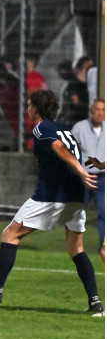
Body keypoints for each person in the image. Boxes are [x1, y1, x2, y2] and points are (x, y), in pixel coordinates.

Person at [0, 89, 104, 317]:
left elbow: (58, 147)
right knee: (77, 248)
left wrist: (80, 170)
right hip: (76, 196)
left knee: (9, 235)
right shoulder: (64, 128)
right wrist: (82, 171)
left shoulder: (41, 128)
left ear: (36, 108)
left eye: (29, 105)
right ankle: (95, 303)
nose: (27, 109)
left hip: (51, 195)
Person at [71, 98, 105, 262]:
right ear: (92, 111)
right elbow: (70, 152)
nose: (100, 113)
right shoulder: (80, 128)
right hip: (82, 178)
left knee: (104, 215)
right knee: (78, 214)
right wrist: (77, 172)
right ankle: (77, 248)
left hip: (102, 179)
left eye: (103, 110)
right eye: (97, 109)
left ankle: (104, 248)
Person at [58, 56, 92, 129]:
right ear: (83, 67)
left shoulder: (89, 85)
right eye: (90, 67)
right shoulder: (73, 85)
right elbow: (77, 103)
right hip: (73, 125)